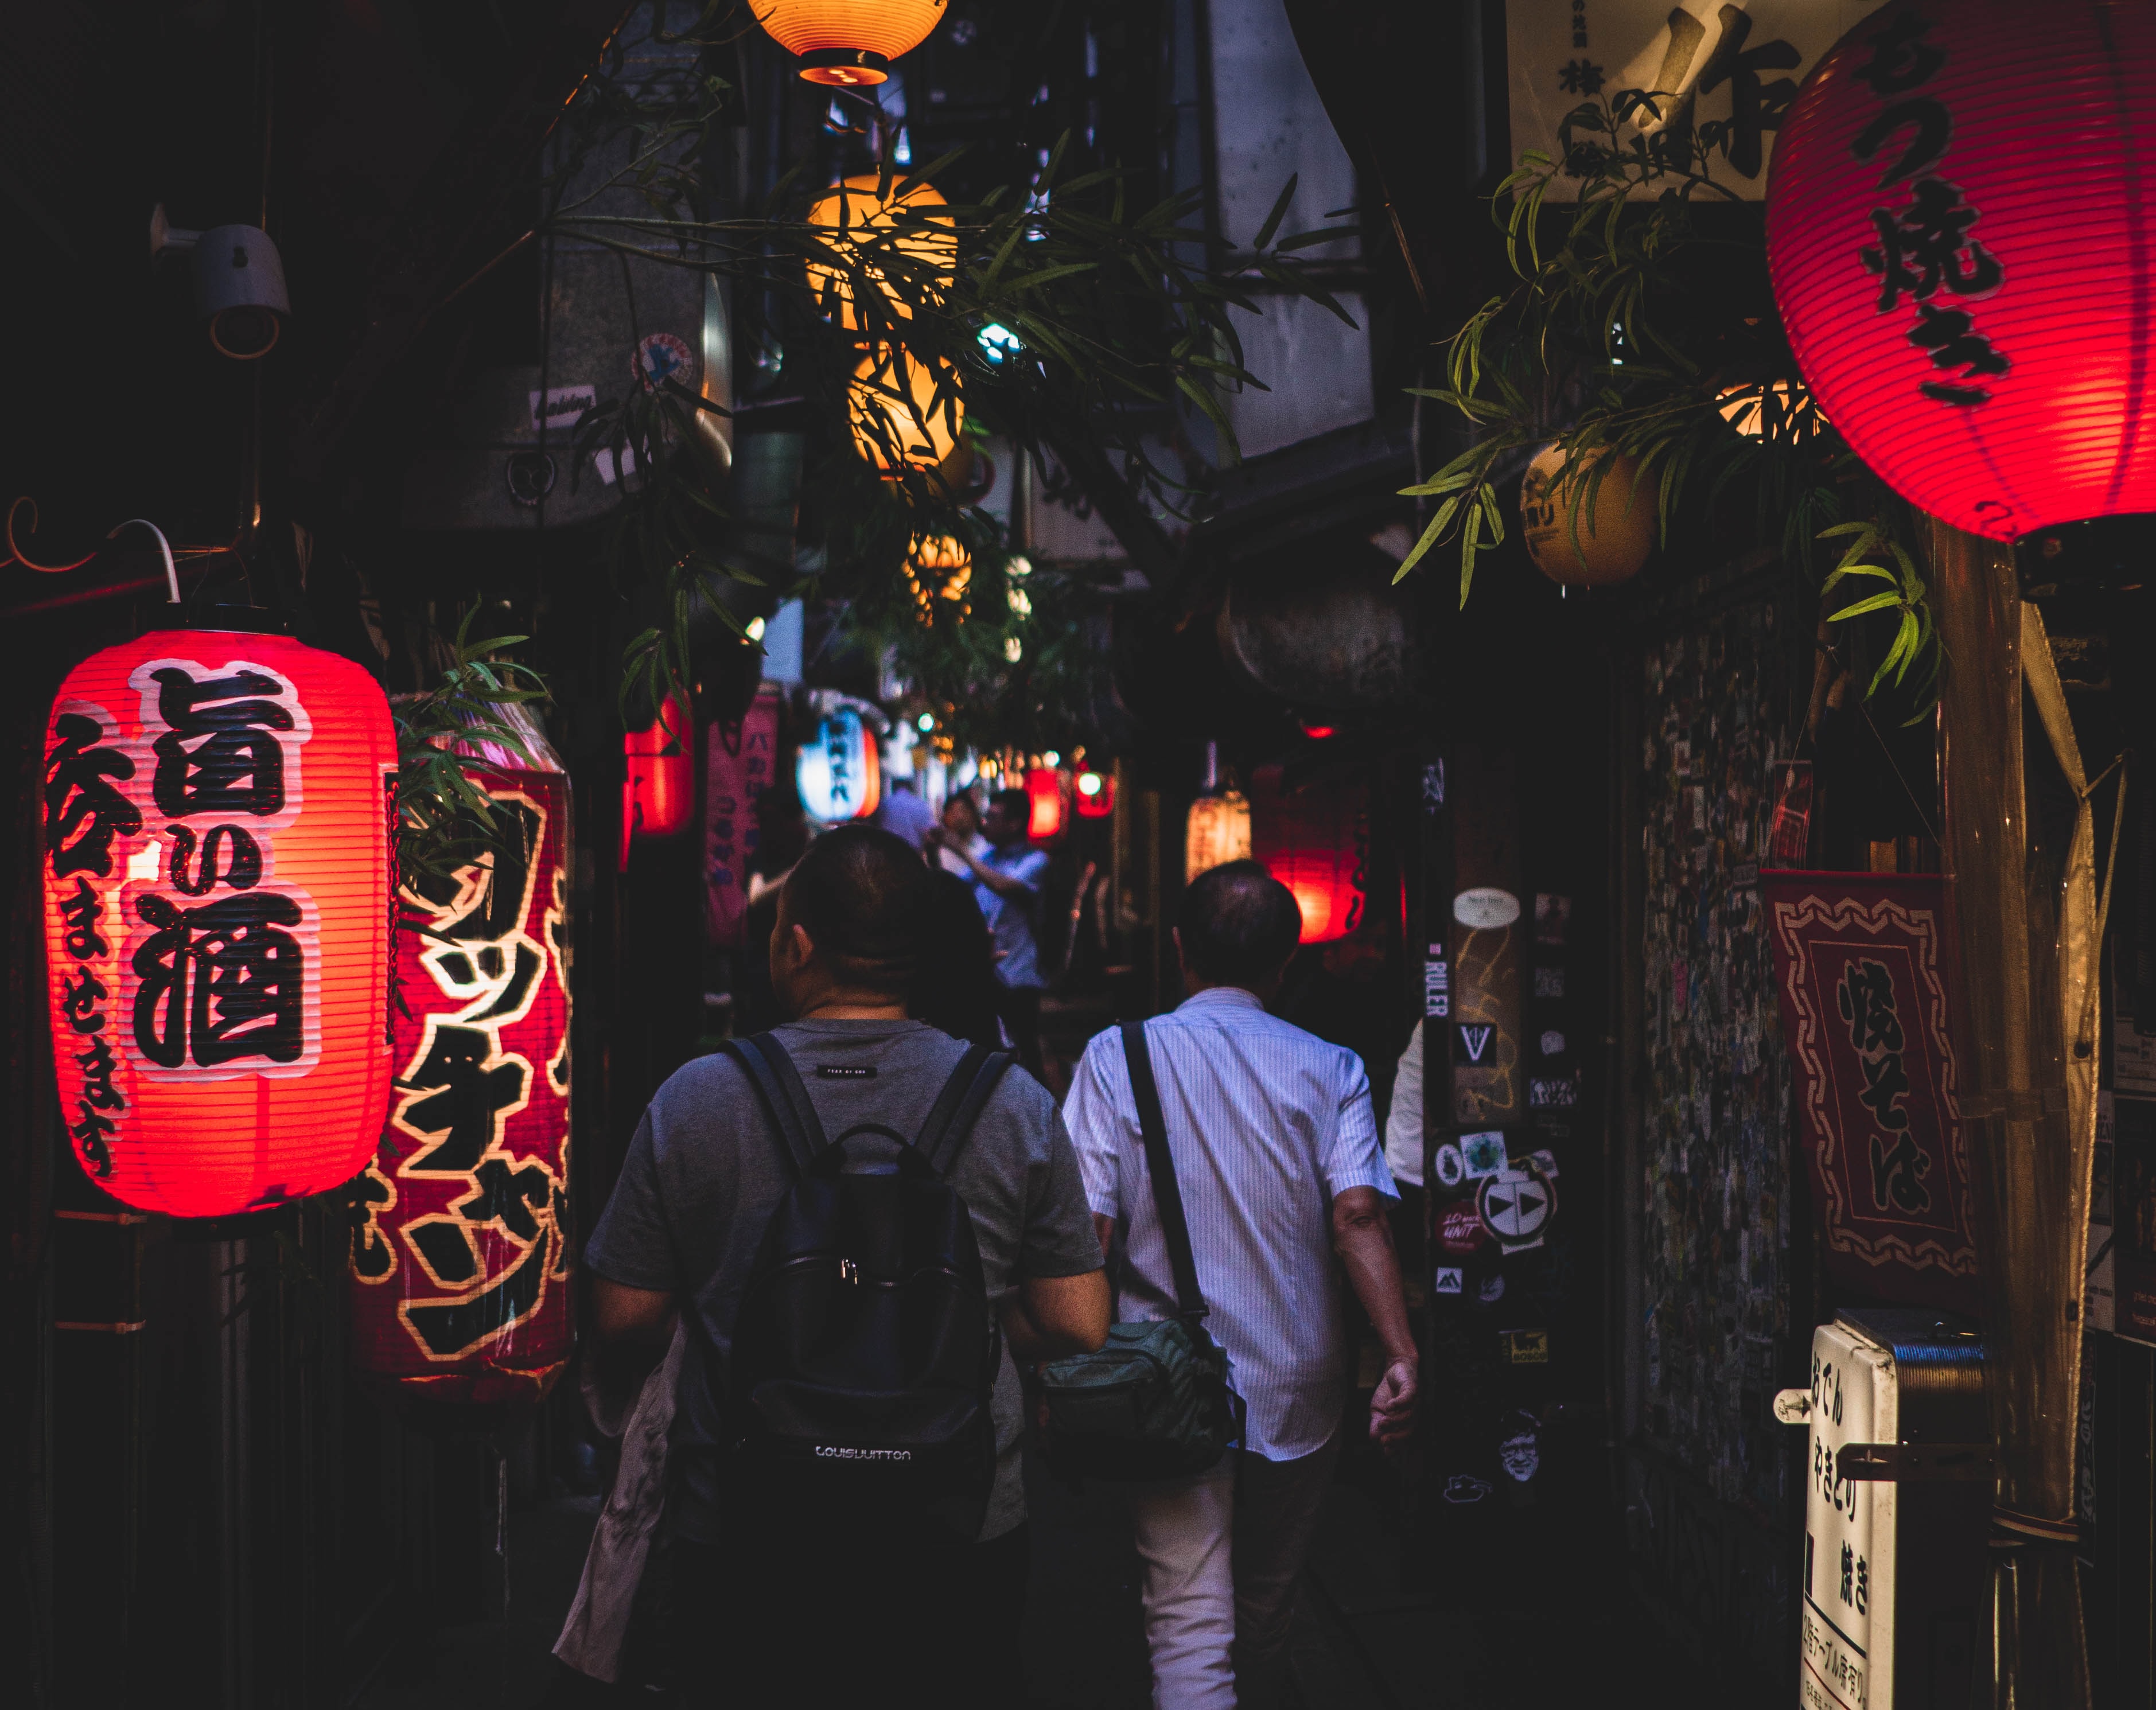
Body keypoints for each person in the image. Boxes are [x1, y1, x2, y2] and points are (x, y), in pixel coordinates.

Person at [583, 825, 1110, 1708]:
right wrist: (960, 1324)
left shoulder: (698, 1097)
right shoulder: (1011, 1101)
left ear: (795, 945)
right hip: (956, 1515)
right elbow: (1078, 1320)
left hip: (746, 1514)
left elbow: (623, 1316)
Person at [1062, 860, 1419, 1710]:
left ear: (1177, 947)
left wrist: (1055, 1364)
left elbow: (1089, 1231)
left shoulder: (1116, 1057)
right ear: (1286, 964)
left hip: (1163, 1381)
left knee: (1187, 1610)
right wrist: (1400, 1351)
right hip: (1299, 1379)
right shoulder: (1332, 1066)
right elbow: (1358, 1216)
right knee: (1266, 1597)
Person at [932, 787, 1050, 1078]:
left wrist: (962, 851)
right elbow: (956, 889)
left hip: (1020, 970)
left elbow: (1002, 885)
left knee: (1027, 1049)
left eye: (993, 817)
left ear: (1015, 823)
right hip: (990, 968)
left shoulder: (1036, 861)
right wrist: (936, 854)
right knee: (993, 1049)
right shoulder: (990, 856)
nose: (986, 823)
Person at [933, 785, 991, 881]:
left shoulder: (987, 847)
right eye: (953, 812)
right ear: (945, 817)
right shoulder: (938, 850)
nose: (959, 817)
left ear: (973, 815)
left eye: (963, 811)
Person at [873, 771, 936, 850]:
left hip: (888, 850)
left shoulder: (885, 803)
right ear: (911, 788)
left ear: (893, 787)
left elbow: (876, 825)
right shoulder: (921, 804)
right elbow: (930, 831)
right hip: (913, 851)